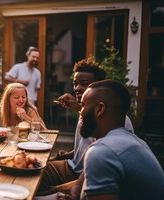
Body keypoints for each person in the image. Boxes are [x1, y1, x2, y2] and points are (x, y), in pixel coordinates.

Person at [34, 80, 164, 200]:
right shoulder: (133, 140)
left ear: (100, 109)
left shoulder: (103, 151)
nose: (80, 112)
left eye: (82, 106)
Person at [37, 58, 133, 193]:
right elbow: (87, 147)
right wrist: (69, 154)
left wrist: (59, 190)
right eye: (75, 83)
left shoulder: (112, 119)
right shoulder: (87, 110)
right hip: (74, 166)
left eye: (84, 84)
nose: (77, 88)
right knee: (37, 168)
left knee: (36, 176)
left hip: (81, 173)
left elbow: (100, 156)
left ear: (98, 86)